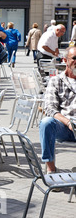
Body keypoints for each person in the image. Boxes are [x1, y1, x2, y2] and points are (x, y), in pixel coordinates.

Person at [39, 46, 76, 174]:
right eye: (74, 58)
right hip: (65, 127)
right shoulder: (56, 80)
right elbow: (50, 108)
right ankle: (51, 170)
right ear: (65, 60)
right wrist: (68, 122)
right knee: (46, 123)